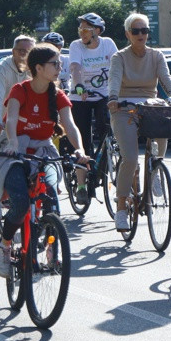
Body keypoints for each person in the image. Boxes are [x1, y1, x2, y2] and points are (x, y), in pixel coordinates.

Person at [0, 43, 89, 278]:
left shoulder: (58, 95)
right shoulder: (20, 90)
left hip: (44, 151)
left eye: (60, 64)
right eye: (55, 64)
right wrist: (13, 143)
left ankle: (51, 247)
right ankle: (4, 245)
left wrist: (80, 151)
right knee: (21, 202)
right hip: (17, 150)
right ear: (38, 67)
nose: (59, 68)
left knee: (52, 197)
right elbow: (11, 119)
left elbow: (70, 125)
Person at [106, 13, 171, 232]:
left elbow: (167, 80)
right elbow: (115, 79)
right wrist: (113, 98)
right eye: (136, 31)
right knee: (130, 158)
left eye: (145, 30)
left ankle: (155, 169)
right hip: (124, 107)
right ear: (128, 34)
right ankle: (121, 209)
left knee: (164, 127)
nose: (141, 35)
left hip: (150, 104)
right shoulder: (119, 57)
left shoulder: (156, 56)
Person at [69, 12, 118, 204]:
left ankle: (104, 163)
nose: (82, 33)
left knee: (106, 129)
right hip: (81, 95)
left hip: (103, 94)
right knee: (83, 139)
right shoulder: (76, 46)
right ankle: (81, 185)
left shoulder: (108, 44)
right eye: (80, 29)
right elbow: (75, 67)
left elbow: (117, 66)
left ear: (97, 31)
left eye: (86, 29)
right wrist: (79, 85)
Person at [0, 35, 35, 218]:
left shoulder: (35, 67)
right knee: (7, 161)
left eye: (29, 51)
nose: (25, 55)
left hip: (28, 122)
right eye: (21, 51)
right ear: (13, 51)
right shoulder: (3, 68)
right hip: (2, 122)